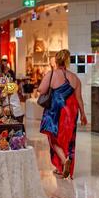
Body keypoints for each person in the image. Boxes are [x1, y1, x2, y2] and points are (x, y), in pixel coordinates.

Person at [38, 49, 88, 179]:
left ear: (56, 60)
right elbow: (79, 99)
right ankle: (64, 169)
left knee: (53, 138)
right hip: (71, 112)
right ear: (67, 61)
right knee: (69, 140)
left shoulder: (51, 74)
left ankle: (64, 161)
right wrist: (83, 114)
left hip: (55, 111)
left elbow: (41, 90)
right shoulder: (75, 78)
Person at [0, 55, 24, 123]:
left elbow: (14, 82)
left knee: (14, 104)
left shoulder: (11, 72)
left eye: (5, 60)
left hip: (11, 91)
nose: (4, 62)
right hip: (3, 91)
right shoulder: (0, 71)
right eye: (3, 60)